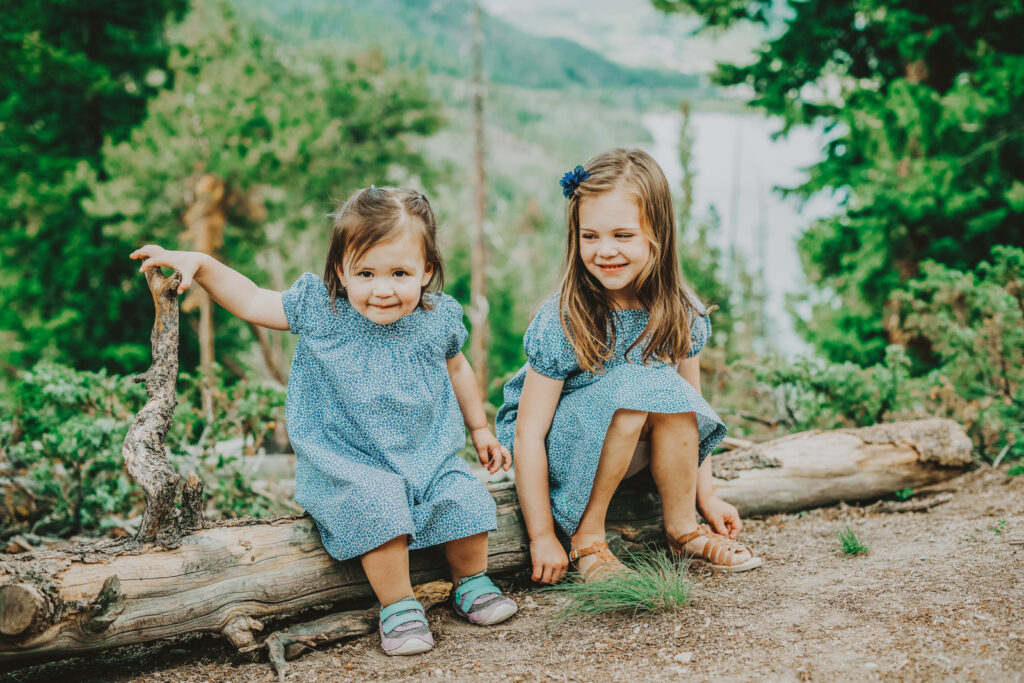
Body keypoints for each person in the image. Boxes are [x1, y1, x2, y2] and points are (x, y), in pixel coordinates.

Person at [130, 186, 517, 656]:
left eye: (400, 272)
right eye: (366, 272)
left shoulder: (438, 318)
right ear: (340, 270)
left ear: (427, 271)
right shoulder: (321, 309)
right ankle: (399, 606)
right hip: (347, 462)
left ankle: (471, 582)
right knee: (378, 504)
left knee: (462, 496)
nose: (382, 288)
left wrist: (479, 429)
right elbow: (252, 299)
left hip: (426, 453)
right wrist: (201, 263)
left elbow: (457, 366)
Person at [496, 149, 762, 584]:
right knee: (634, 393)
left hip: (629, 445)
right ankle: (587, 537)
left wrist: (707, 495)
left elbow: (691, 406)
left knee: (664, 395)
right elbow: (528, 433)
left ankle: (682, 528)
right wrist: (541, 534)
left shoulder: (681, 311)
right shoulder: (565, 317)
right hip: (559, 446)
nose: (605, 251)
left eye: (623, 235)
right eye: (590, 236)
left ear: (658, 235)